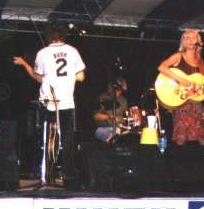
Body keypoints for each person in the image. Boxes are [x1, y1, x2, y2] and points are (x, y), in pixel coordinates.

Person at [14, 25, 85, 185]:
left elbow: (38, 77)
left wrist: (25, 64)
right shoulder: (73, 51)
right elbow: (81, 76)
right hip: (67, 102)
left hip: (49, 102)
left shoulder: (42, 53)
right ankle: (69, 175)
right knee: (68, 140)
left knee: (48, 139)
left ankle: (48, 175)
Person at [158, 29, 204, 146]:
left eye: (193, 38)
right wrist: (182, 80)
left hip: (197, 105)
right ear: (183, 42)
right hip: (181, 102)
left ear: (198, 41)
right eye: (187, 38)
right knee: (181, 139)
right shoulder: (178, 56)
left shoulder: (202, 63)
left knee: (203, 139)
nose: (190, 40)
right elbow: (161, 67)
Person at [93, 78, 129, 142]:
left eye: (121, 90)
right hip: (103, 129)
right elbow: (96, 116)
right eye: (117, 90)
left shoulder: (123, 101)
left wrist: (122, 120)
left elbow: (125, 118)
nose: (119, 92)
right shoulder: (102, 98)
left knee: (129, 137)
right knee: (113, 139)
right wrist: (109, 116)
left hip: (118, 129)